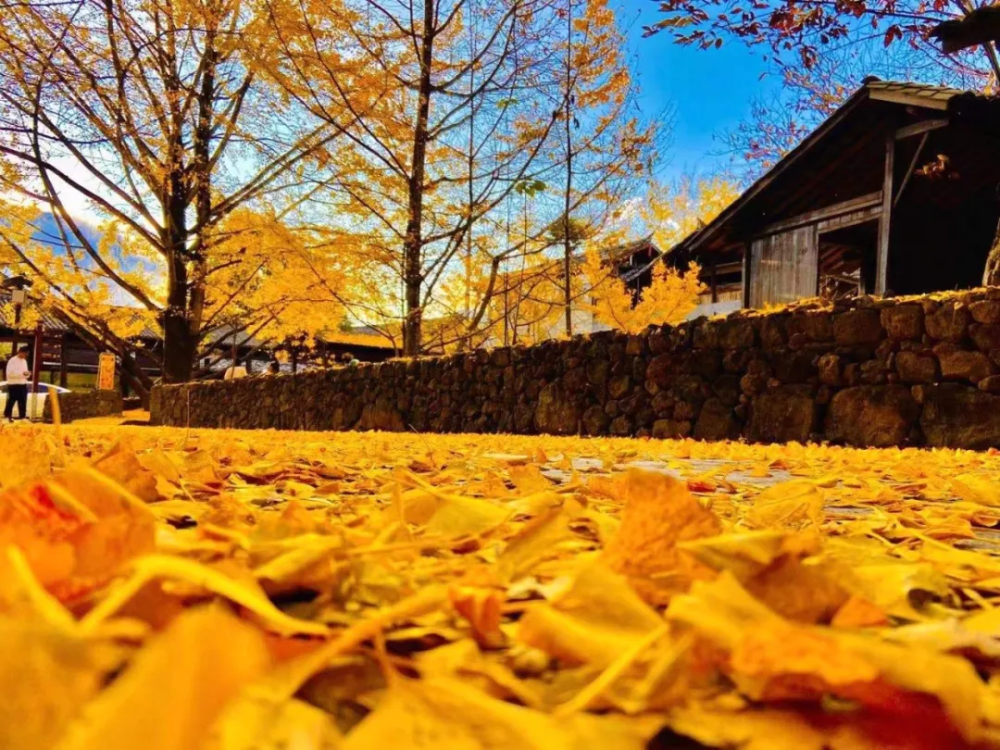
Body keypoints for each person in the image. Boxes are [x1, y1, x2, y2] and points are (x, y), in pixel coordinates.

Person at [4, 346, 31, 422]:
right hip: (13, 384)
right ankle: (7, 416)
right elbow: (9, 374)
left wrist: (27, 374)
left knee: (23, 401)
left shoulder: (24, 361)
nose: (26, 356)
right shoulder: (12, 360)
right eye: (25, 353)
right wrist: (21, 374)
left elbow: (25, 372)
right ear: (20, 352)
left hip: (23, 383)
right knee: (11, 400)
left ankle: (22, 417)